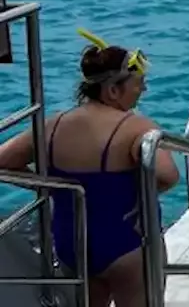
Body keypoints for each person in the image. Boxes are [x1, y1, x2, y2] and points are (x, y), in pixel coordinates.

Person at [0, 29, 179, 307]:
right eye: (139, 83)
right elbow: (168, 176)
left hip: (72, 244)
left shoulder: (53, 125)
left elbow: (3, 162)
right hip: (127, 241)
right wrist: (141, 197)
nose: (143, 90)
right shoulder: (136, 127)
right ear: (112, 90)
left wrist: (51, 186)